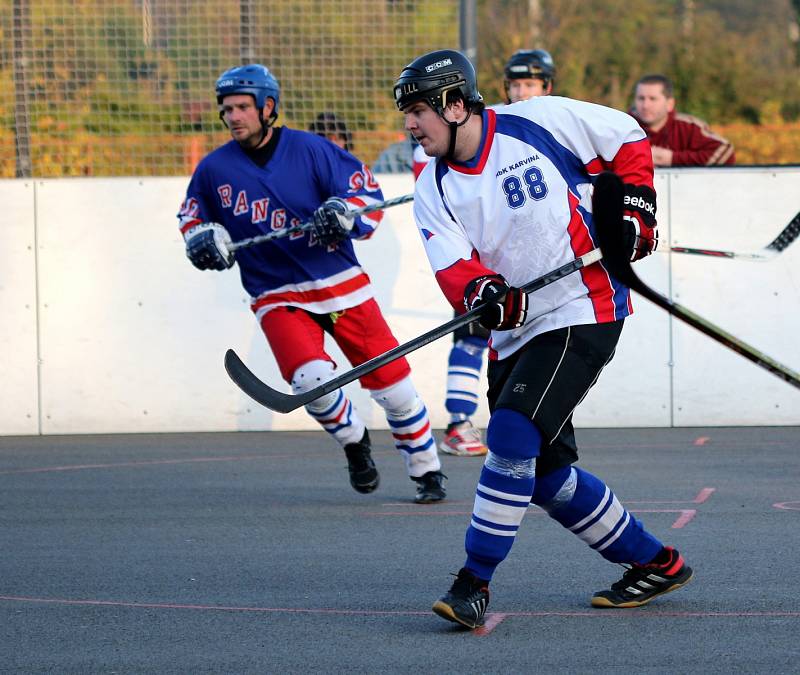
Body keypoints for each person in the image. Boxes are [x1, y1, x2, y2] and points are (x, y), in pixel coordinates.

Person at [393, 49, 693, 628]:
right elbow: (453, 265)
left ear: (455, 106)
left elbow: (627, 138)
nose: (410, 124)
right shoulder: (433, 183)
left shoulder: (539, 120)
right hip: (521, 333)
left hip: (584, 305)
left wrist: (636, 210)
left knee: (510, 434)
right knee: (545, 476)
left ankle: (472, 583)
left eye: (418, 111)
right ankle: (658, 562)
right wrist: (486, 293)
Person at [177, 64, 446, 504]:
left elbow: (368, 199)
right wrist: (200, 239)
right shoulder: (213, 169)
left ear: (268, 107)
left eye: (243, 107)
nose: (233, 117)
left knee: (395, 389)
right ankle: (355, 442)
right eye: (226, 110)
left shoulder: (312, 150)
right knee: (312, 382)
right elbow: (191, 218)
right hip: (276, 294)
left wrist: (343, 212)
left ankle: (426, 469)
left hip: (341, 285)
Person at [435, 48, 557, 458]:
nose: (522, 91)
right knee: (473, 335)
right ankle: (458, 422)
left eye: (531, 84)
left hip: (543, 262)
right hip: (487, 259)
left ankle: (532, 430)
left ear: (548, 88)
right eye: (515, 84)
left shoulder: (552, 122)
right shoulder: (484, 125)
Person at [631, 74, 735, 167]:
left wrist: (672, 158)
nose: (645, 105)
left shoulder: (689, 127)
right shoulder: (623, 127)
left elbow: (725, 151)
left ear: (670, 104)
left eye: (653, 99)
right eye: (641, 98)